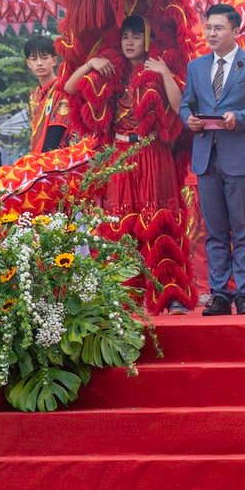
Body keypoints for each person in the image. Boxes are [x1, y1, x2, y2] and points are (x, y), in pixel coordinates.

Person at [70, 16, 194, 315]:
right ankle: (126, 295)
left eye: (136, 36)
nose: (129, 42)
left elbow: (179, 107)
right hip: (121, 156)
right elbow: (71, 88)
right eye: (125, 36)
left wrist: (164, 73)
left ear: (148, 39)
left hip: (153, 151)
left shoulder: (159, 67)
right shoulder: (112, 70)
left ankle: (171, 295)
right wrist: (90, 64)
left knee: (160, 222)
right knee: (121, 225)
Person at [182, 3, 245, 317]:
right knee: (215, 231)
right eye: (208, 27)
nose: (211, 33)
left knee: (243, 229)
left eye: (218, 28)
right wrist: (190, 121)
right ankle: (221, 293)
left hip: (241, 158)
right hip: (206, 158)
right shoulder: (196, 67)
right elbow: (187, 106)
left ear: (235, 31)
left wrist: (240, 117)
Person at [23, 33, 70, 153]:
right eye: (34, 59)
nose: (39, 63)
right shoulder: (34, 95)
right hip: (38, 157)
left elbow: (57, 130)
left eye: (44, 58)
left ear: (54, 60)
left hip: (60, 157)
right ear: (29, 63)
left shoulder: (62, 88)